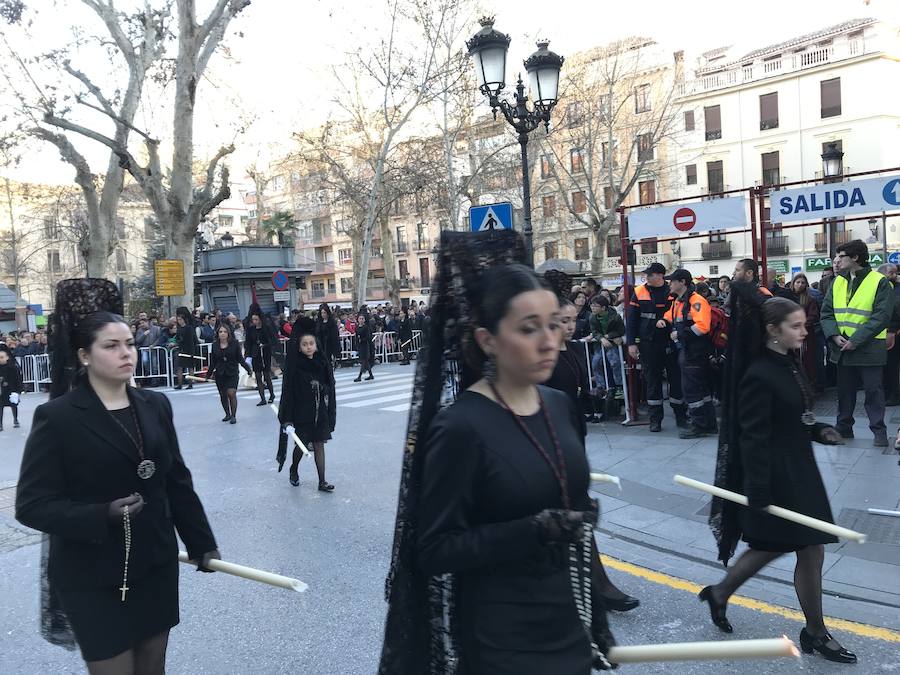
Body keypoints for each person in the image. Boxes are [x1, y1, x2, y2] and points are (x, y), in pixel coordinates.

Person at [15, 279, 219, 672]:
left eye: (130, 343)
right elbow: (32, 505)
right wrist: (101, 514)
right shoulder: (57, 417)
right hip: (91, 574)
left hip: (156, 564)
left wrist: (200, 540)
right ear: (84, 355)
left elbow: (176, 480)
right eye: (111, 346)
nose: (126, 353)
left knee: (152, 669)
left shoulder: (155, 403)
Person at [698, 297, 856, 664]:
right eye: (796, 326)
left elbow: (793, 415)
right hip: (776, 475)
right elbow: (752, 435)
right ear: (772, 330)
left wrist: (817, 430)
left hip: (799, 468)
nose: (804, 331)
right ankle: (815, 631)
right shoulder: (758, 373)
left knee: (787, 545)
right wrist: (757, 488)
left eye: (804, 325)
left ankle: (720, 593)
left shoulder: (787, 363)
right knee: (802, 545)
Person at [546, 297, 639, 611]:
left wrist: (591, 394)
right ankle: (600, 586)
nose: (571, 326)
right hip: (552, 445)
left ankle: (578, 585)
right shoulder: (542, 356)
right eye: (564, 320)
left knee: (570, 517)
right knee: (575, 514)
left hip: (574, 439)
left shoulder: (573, 350)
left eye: (574, 320)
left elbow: (575, 391)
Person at [820, 239, 893, 446]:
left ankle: (879, 431)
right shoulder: (837, 282)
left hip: (868, 348)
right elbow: (826, 314)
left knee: (873, 391)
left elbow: (881, 317)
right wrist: (834, 335)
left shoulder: (879, 281)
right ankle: (844, 427)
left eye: (841, 256)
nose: (837, 261)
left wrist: (856, 340)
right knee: (845, 392)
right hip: (843, 347)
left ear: (855, 258)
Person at [277, 316, 336, 491]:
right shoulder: (295, 365)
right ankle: (294, 469)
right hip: (302, 413)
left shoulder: (321, 361)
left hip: (320, 412)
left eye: (311, 343)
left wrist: (321, 387)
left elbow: (329, 384)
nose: (309, 347)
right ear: (299, 347)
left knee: (319, 444)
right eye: (305, 344)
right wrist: (287, 419)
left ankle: (322, 481)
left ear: (316, 344)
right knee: (301, 446)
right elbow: (288, 392)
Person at [625, 262, 686, 432]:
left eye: (650, 275)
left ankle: (680, 416)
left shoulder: (673, 291)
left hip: (671, 342)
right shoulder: (639, 292)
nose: (646, 277)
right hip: (648, 344)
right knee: (652, 381)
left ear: (660, 275)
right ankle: (655, 420)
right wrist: (631, 343)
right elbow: (632, 320)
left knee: (676, 379)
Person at [663, 269, 717, 438]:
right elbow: (672, 317)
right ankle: (708, 424)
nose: (669, 283)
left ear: (682, 282)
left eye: (672, 281)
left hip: (694, 352)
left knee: (692, 389)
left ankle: (699, 425)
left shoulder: (696, 301)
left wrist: (679, 334)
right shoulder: (679, 301)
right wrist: (663, 321)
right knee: (701, 389)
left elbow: (702, 326)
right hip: (688, 350)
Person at [206, 323, 252, 424]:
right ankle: (227, 413)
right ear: (217, 333)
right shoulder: (214, 345)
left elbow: (240, 358)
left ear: (228, 333)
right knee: (223, 395)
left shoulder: (234, 343)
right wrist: (208, 375)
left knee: (231, 393)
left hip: (232, 372)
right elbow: (213, 362)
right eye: (220, 332)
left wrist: (248, 369)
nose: (222, 334)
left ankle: (233, 415)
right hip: (220, 373)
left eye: (225, 332)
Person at [586, 295, 625, 399]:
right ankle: (600, 386)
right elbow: (594, 331)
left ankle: (619, 386)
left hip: (612, 343)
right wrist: (602, 338)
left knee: (615, 362)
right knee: (596, 363)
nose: (592, 308)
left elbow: (621, 330)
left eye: (595, 306)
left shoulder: (615, 316)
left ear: (603, 308)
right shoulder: (592, 317)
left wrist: (609, 336)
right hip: (600, 344)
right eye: (591, 306)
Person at [790, 273, 820, 391]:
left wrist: (799, 327)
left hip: (805, 335)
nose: (800, 285)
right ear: (793, 283)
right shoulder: (788, 297)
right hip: (790, 335)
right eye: (798, 282)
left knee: (807, 362)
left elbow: (813, 316)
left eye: (803, 283)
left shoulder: (809, 300)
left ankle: (808, 386)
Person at [244, 303, 277, 406]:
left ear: (260, 319)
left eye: (256, 320)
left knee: (266, 375)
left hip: (265, 353)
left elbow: (273, 340)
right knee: (258, 376)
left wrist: (265, 345)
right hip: (255, 354)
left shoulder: (266, 328)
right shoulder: (251, 330)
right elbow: (248, 342)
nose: (254, 322)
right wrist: (248, 354)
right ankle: (262, 398)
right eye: (253, 320)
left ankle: (271, 394)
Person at [877, 263, 900, 406]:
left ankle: (894, 395)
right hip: (881, 334)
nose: (894, 276)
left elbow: (895, 313)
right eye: (891, 273)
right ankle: (887, 394)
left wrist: (892, 331)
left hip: (893, 334)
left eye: (895, 273)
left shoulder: (896, 290)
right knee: (885, 367)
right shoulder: (880, 289)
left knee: (892, 367)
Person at [173, 307, 197, 390]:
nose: (179, 321)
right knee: (180, 367)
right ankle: (180, 384)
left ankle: (190, 384)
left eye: (180, 319)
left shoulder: (189, 328)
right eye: (178, 319)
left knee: (190, 367)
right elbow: (178, 338)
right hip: (181, 349)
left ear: (184, 319)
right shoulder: (179, 329)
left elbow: (190, 340)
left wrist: (191, 352)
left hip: (189, 349)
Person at [0, 347, 23, 430]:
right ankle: (0, 424)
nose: (0, 359)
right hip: (1, 391)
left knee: (13, 405)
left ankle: (15, 419)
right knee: (0, 407)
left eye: (2, 357)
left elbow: (18, 379)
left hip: (11, 390)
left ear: (7, 357)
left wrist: (18, 391)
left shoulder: (13, 367)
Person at [353, 311, 375, 382]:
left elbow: (368, 336)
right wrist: (357, 343)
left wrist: (362, 339)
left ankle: (359, 376)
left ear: (364, 320)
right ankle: (371, 375)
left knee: (363, 361)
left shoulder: (366, 327)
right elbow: (356, 336)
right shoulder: (357, 327)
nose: (361, 320)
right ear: (358, 319)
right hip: (360, 345)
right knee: (365, 362)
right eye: (360, 318)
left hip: (365, 345)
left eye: (362, 319)